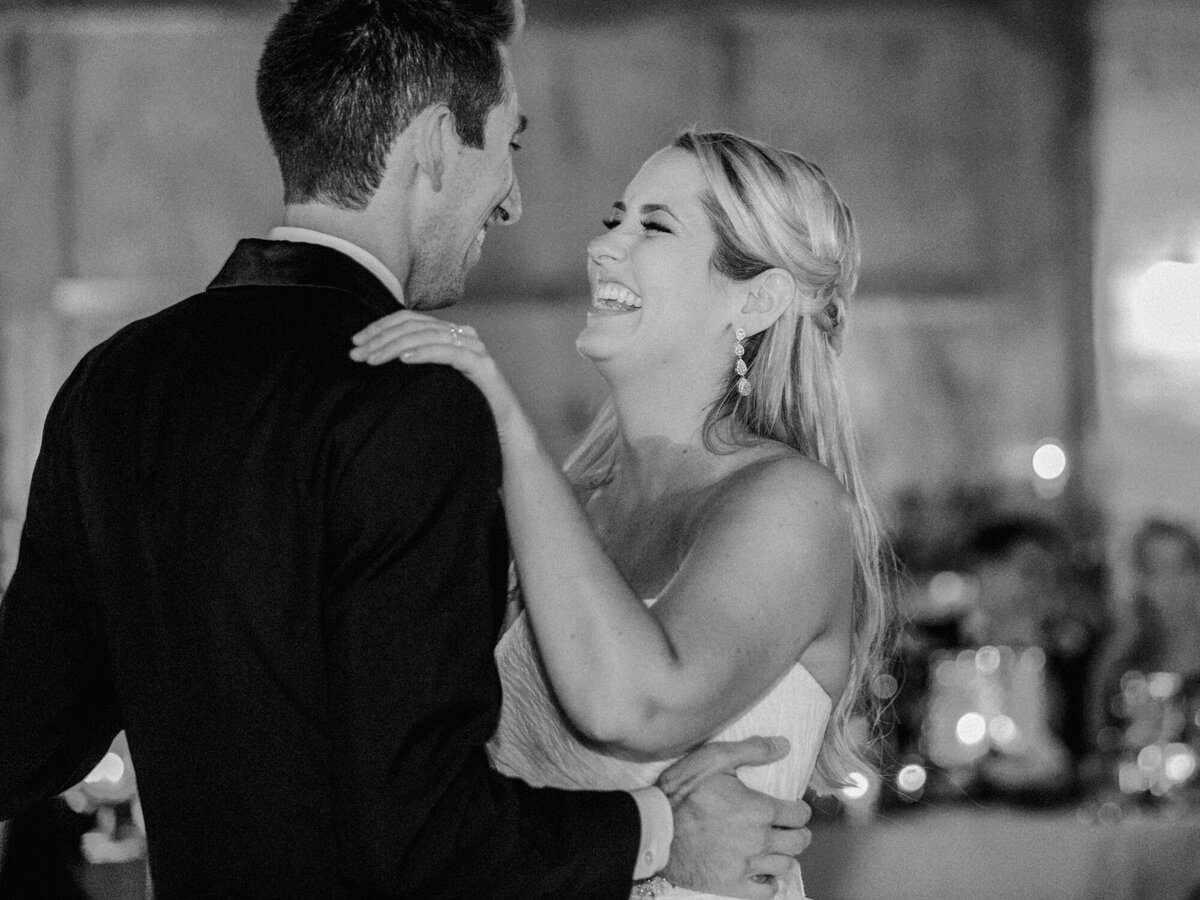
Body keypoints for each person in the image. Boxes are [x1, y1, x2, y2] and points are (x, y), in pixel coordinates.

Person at [0, 3, 811, 898]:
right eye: (509, 144)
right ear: (432, 144)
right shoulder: (411, 398)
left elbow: (22, 738)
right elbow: (422, 844)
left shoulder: (113, 381)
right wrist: (662, 831)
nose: (512, 198)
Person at [351, 129, 893, 898]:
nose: (604, 247)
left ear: (758, 298)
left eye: (655, 226)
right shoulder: (565, 509)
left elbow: (639, 704)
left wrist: (506, 422)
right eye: (616, 218)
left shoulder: (789, 504)